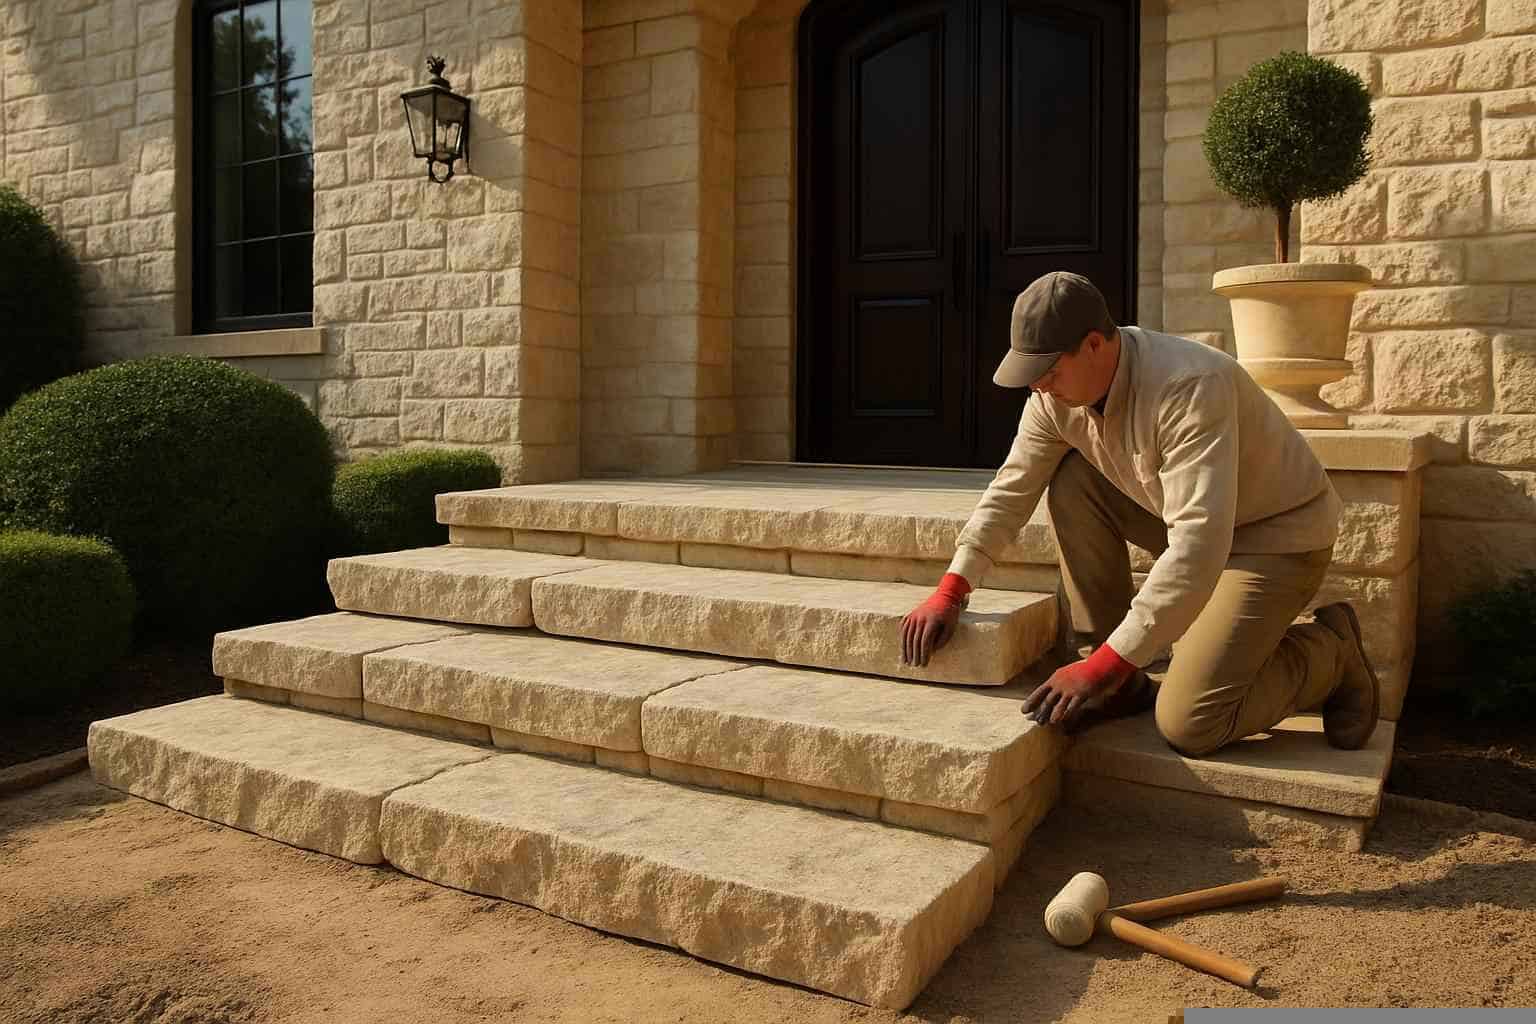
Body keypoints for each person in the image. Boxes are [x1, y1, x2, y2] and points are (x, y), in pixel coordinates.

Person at [898, 271, 1378, 756]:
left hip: (1275, 538)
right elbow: (1011, 489)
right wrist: (952, 589)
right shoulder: (1053, 399)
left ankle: (1331, 653)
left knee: (1191, 721)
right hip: (1196, 525)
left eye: (1049, 370)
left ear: (1092, 345)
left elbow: (1196, 548)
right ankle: (1118, 684)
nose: (1039, 386)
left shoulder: (1188, 385)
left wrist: (1107, 664)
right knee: (1070, 482)